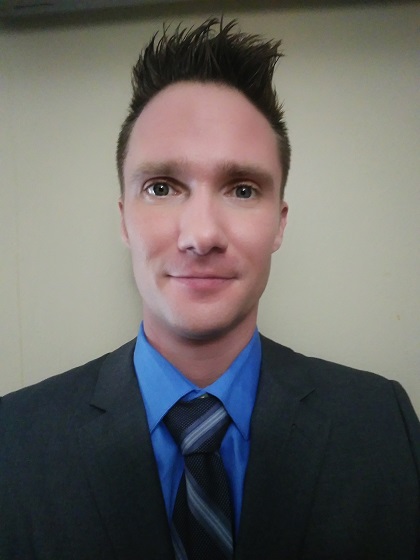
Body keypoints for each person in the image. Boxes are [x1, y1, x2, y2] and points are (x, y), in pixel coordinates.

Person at [0, 18, 419, 560]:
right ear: (124, 220)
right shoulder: (14, 440)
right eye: (161, 187)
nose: (201, 236)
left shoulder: (383, 424)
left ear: (280, 224)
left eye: (242, 189)